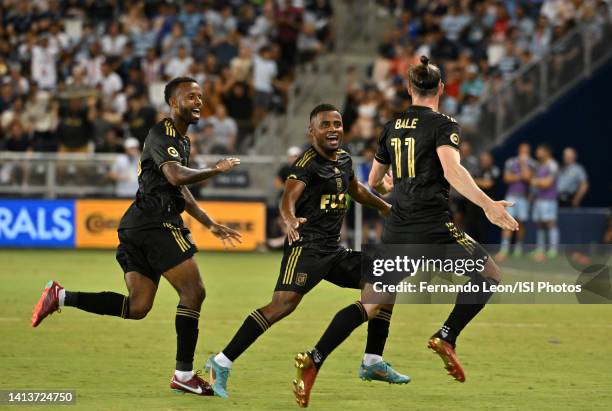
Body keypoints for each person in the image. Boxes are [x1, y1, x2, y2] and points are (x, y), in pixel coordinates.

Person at [293, 57, 518, 407]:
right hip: (433, 226)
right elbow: (453, 170)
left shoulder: (392, 125)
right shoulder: (445, 124)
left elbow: (373, 183)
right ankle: (447, 336)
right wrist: (487, 203)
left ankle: (316, 356)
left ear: (409, 89)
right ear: (441, 89)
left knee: (370, 303)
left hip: (398, 227)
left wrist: (391, 184)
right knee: (489, 273)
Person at [31, 77, 242, 396]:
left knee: (139, 306)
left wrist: (209, 223)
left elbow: (179, 187)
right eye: (190, 97)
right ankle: (183, 375)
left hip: (138, 224)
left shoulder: (181, 141)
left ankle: (60, 296)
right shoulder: (163, 133)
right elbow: (175, 175)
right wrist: (216, 169)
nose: (198, 102)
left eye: (201, 97)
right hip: (155, 222)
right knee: (194, 291)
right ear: (173, 103)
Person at [204, 104, 409, 400]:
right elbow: (288, 197)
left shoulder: (344, 160)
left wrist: (385, 207)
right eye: (325, 125)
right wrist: (289, 218)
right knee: (281, 306)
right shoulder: (305, 164)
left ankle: (372, 361)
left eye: (337, 124)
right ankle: (220, 362)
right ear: (311, 132)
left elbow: (356, 190)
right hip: (306, 248)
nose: (333, 130)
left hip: (333, 250)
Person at [496, 143, 536, 261]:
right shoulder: (510, 162)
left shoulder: (532, 163)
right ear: (519, 150)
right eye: (522, 150)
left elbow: (529, 178)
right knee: (506, 222)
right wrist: (520, 176)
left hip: (524, 197)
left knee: (521, 223)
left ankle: (518, 248)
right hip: (511, 197)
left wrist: (524, 165)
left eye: (526, 151)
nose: (524, 153)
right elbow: (507, 178)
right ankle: (504, 249)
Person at [531, 143, 559, 261]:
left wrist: (536, 181)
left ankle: (553, 250)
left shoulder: (552, 165)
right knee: (540, 223)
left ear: (546, 152)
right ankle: (540, 249)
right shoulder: (539, 165)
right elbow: (536, 182)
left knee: (550, 223)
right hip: (539, 199)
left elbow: (548, 183)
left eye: (540, 150)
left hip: (549, 199)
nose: (537, 152)